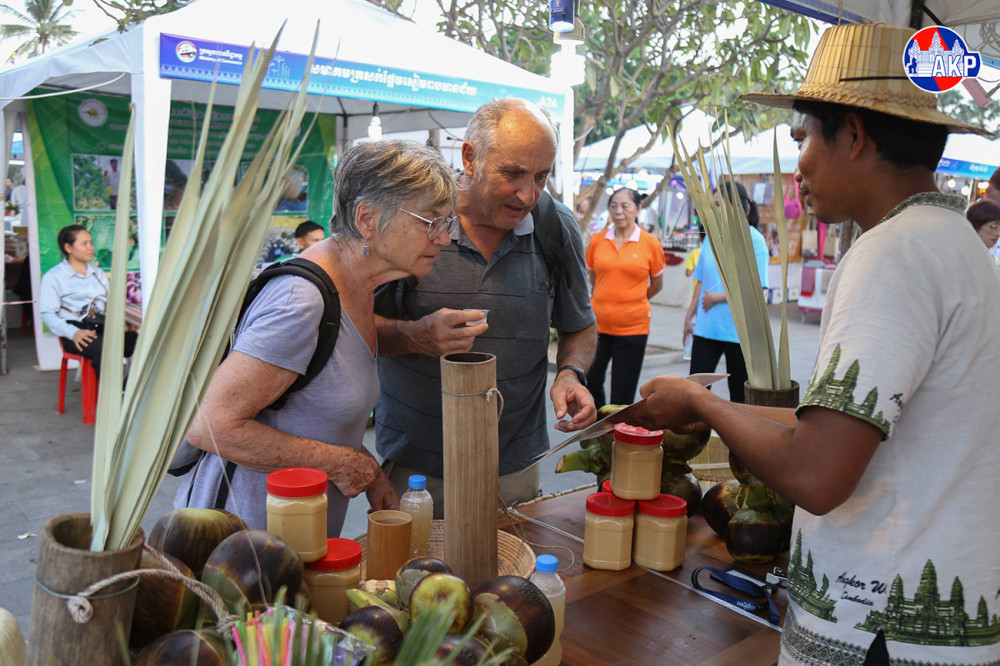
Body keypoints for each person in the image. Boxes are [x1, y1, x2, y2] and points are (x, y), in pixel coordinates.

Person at [630, 22, 999, 665]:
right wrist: (703, 405)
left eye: (804, 138)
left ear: (853, 135)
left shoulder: (892, 254)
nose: (798, 162)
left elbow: (817, 474)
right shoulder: (959, 246)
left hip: (879, 632)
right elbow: (851, 431)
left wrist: (704, 402)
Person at [176, 139, 457, 536]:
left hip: (292, 537)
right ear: (367, 218)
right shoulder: (302, 301)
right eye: (430, 223)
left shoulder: (356, 287)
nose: (444, 238)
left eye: (446, 224)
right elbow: (210, 426)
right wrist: (342, 463)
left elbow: (308, 416)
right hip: (241, 544)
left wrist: (368, 469)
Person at [374, 98, 597, 516]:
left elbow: (580, 324)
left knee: (511, 559)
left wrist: (570, 373)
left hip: (513, 467)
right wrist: (414, 337)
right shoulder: (415, 220)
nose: (528, 194)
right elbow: (353, 327)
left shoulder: (555, 226)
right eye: (512, 173)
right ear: (470, 157)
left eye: (541, 176)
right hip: (416, 469)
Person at [683, 181, 769, 404]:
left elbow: (757, 290)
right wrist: (689, 317)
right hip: (706, 328)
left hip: (738, 332)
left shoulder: (754, 240)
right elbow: (701, 281)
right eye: (713, 205)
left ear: (738, 207)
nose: (714, 210)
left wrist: (717, 298)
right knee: (694, 393)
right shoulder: (711, 238)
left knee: (739, 398)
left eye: (719, 205)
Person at [585, 187, 665, 408]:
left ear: (638, 209)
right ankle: (599, 423)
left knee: (623, 390)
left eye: (625, 206)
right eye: (614, 206)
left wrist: (635, 298)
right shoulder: (598, 240)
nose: (618, 211)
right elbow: (594, 277)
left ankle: (617, 429)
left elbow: (657, 284)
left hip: (633, 328)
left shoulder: (650, 243)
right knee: (590, 380)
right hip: (597, 326)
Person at [39, 225, 138, 381]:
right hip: (75, 330)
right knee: (104, 350)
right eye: (84, 244)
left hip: (101, 326)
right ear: (68, 248)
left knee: (140, 343)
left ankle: (130, 388)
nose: (90, 248)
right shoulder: (54, 277)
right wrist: (73, 332)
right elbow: (47, 314)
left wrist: (123, 322)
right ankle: (110, 394)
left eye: (91, 243)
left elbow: (108, 305)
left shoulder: (98, 273)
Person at [966, 199, 1000, 267]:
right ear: (975, 225)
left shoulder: (993, 261)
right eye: (994, 227)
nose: (998, 234)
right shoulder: (962, 256)